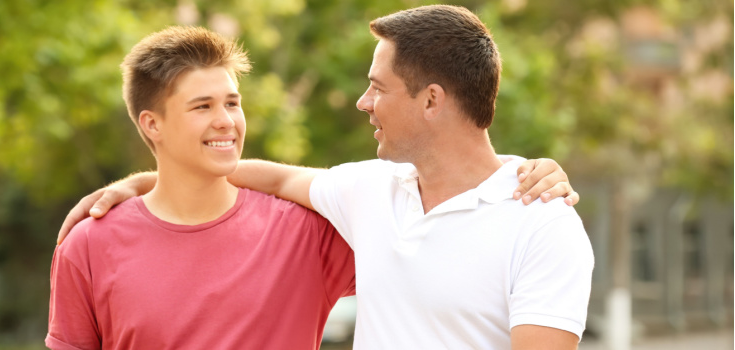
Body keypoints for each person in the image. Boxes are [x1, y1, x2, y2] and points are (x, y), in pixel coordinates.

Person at [55, 6, 589, 350]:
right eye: (203, 106)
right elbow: (274, 176)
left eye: (378, 87)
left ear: (431, 100)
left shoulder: (542, 222)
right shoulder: (370, 192)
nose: (363, 102)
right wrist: (144, 184)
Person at [46, 26, 358, 350]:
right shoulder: (88, 245)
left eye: (232, 103)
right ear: (152, 124)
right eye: (202, 106)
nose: (226, 121)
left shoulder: (308, 233)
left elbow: (389, 198)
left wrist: (144, 181)